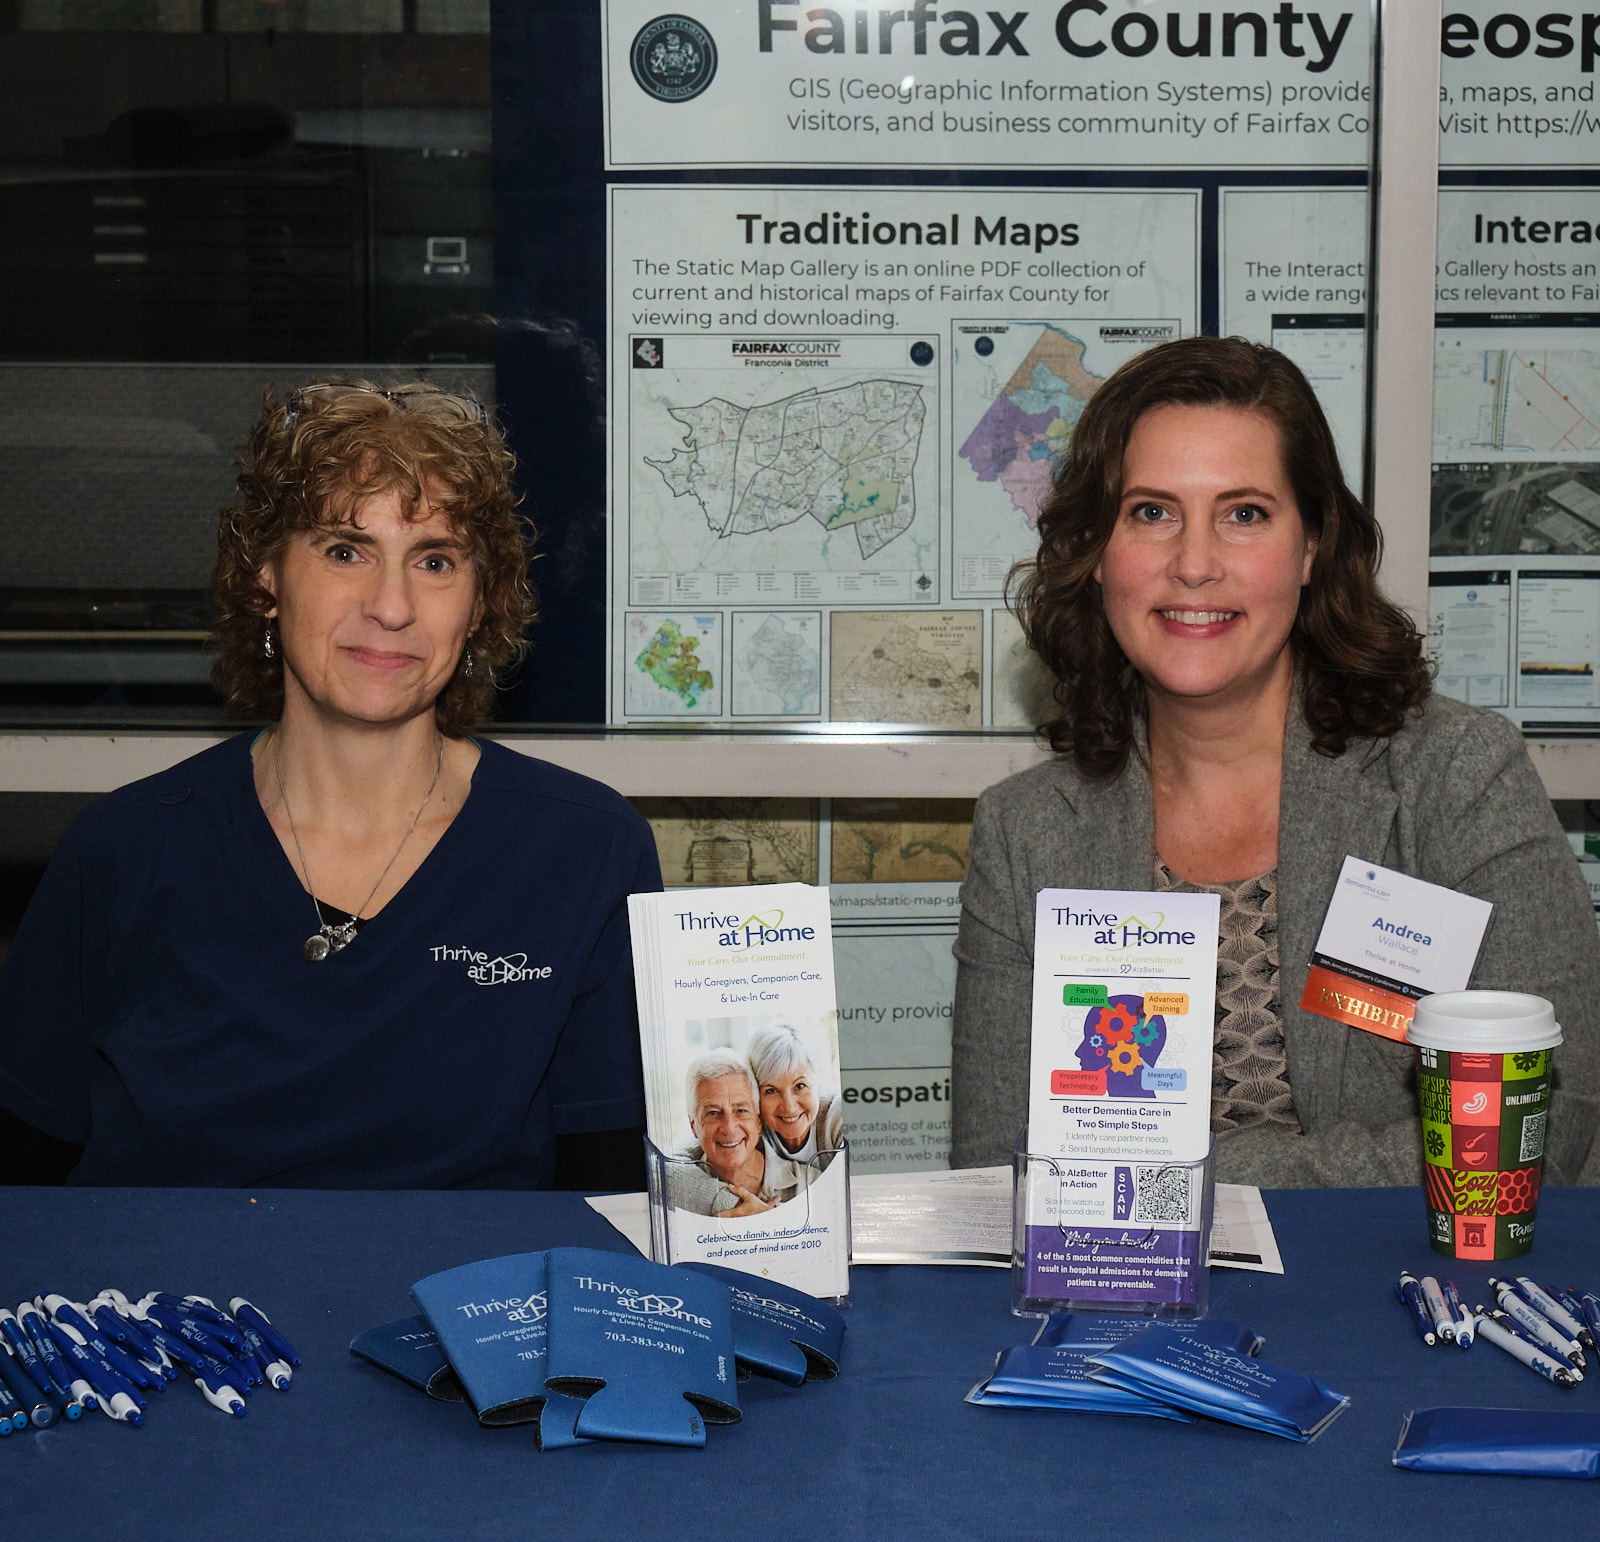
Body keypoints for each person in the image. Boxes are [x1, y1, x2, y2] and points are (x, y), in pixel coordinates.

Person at [951, 336, 1600, 1188]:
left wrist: (1178, 1179)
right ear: (1097, 551)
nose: (1194, 565)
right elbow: (995, 1176)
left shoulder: (1456, 778)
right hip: (1123, 1279)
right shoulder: (1026, 833)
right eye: (1152, 512)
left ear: (1311, 547)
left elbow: (1540, 1125)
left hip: (1409, 1271)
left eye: (1245, 514)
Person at [0, 379, 661, 1189]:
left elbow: (615, 1202)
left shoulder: (585, 853)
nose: (392, 606)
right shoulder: (126, 852)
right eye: (345, 550)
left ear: (480, 603)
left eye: (435, 560)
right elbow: (21, 1187)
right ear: (265, 576)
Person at [669, 1049, 792, 1216]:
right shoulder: (672, 1191)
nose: (729, 1128)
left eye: (741, 1110)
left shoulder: (809, 1181)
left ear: (758, 1120)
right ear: (693, 1126)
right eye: (713, 1113)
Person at [746, 1021, 843, 1170]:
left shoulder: (839, 1115)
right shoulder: (751, 1129)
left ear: (818, 1081)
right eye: (771, 1091)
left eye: (800, 1086)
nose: (789, 1107)